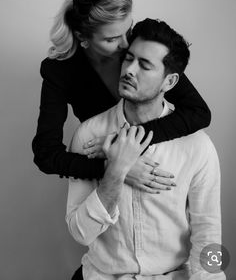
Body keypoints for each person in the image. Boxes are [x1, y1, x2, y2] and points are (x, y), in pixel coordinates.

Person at [66, 18, 225, 279]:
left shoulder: (198, 146)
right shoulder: (89, 135)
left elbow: (209, 237)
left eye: (145, 65)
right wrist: (115, 170)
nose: (129, 70)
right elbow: (80, 233)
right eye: (128, 59)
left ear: (170, 82)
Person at [32, 0, 211, 193]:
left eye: (128, 30)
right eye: (111, 39)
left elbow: (199, 112)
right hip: (103, 177)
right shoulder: (59, 71)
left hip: (161, 161)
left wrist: (125, 142)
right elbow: (46, 155)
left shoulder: (139, 43)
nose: (127, 44)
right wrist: (115, 168)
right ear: (82, 36)